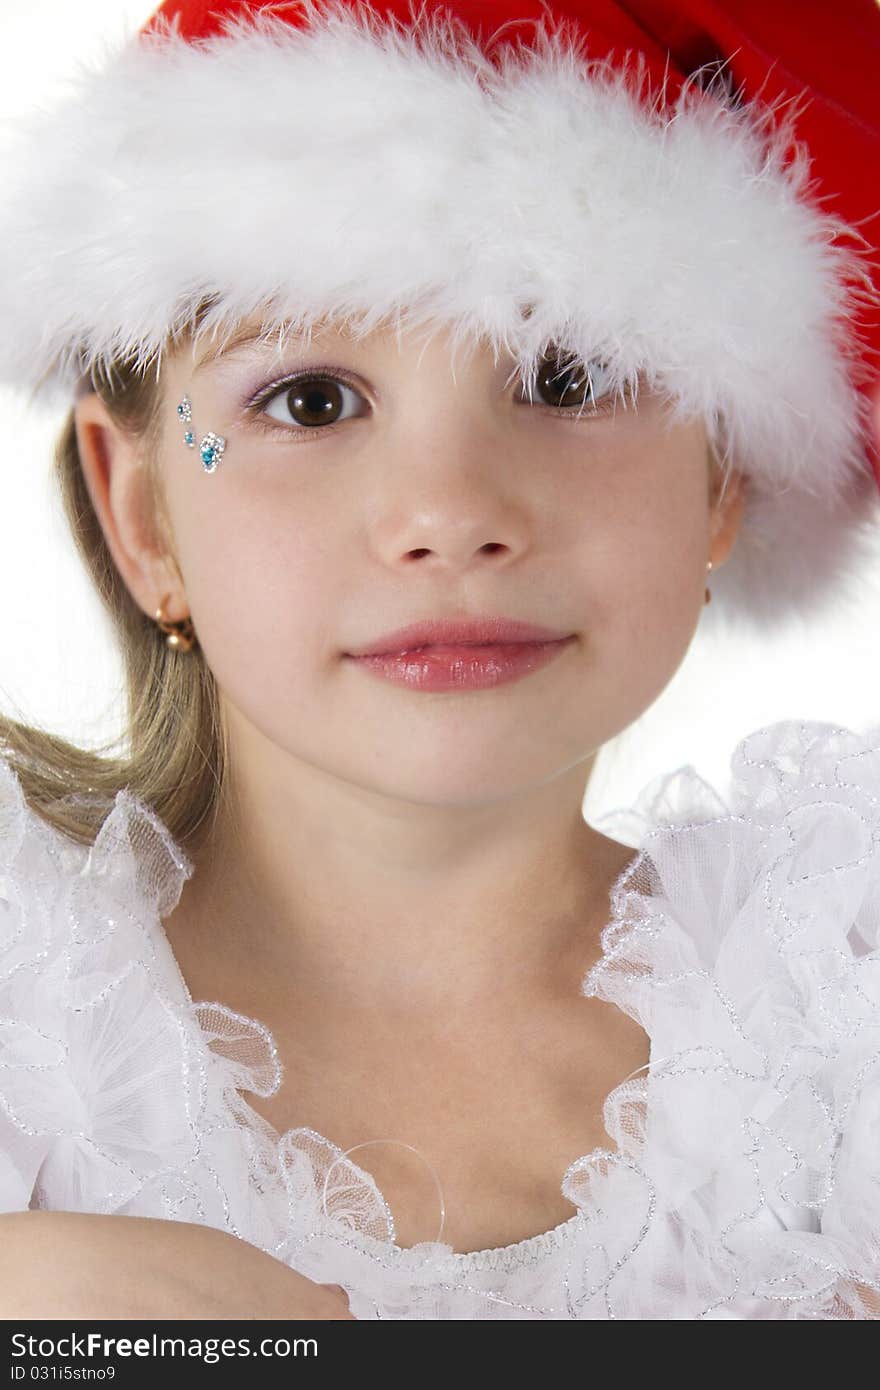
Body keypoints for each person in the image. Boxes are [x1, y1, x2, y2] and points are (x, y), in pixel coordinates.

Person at [0, 0, 878, 1321]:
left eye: (569, 377)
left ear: (722, 482)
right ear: (142, 516)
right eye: (309, 401)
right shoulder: (29, 1028)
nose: (453, 509)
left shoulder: (835, 1022)